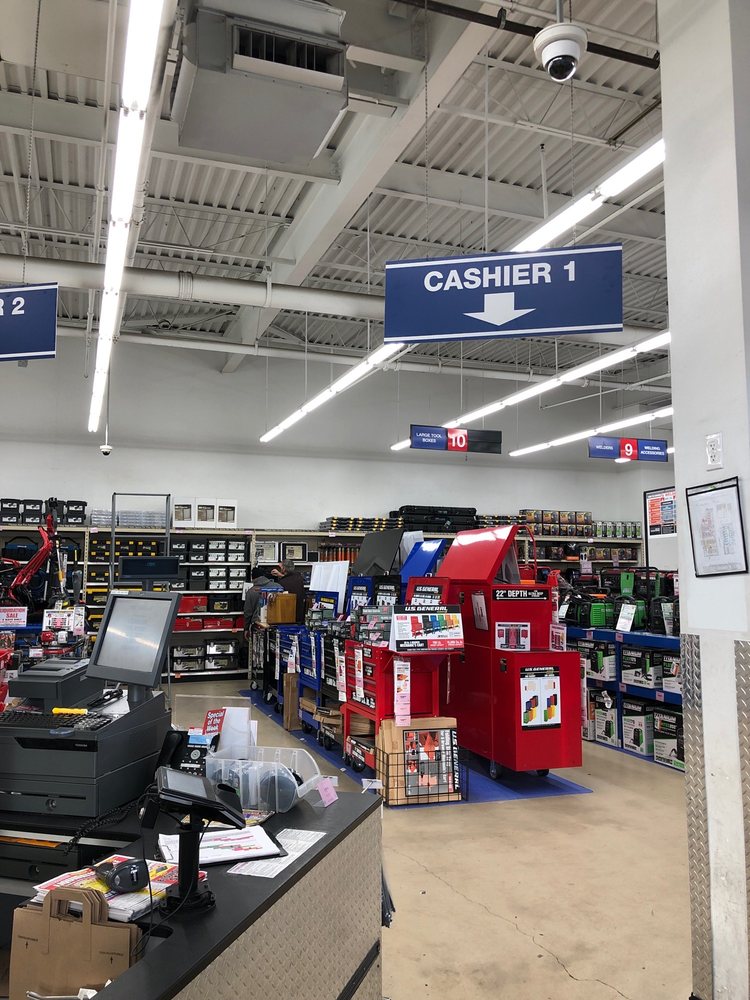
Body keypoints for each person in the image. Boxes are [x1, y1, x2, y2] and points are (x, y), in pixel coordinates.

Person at [270, 558, 307, 624]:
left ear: (284, 569)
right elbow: (291, 579)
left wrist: (281, 577)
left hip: (287, 616)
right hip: (299, 615)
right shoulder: (299, 577)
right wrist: (282, 576)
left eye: (280, 567)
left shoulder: (282, 583)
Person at [243, 567, 275, 637]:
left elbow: (248, 612)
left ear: (253, 578)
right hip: (275, 625)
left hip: (258, 626)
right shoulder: (278, 587)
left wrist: (246, 628)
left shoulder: (251, 592)